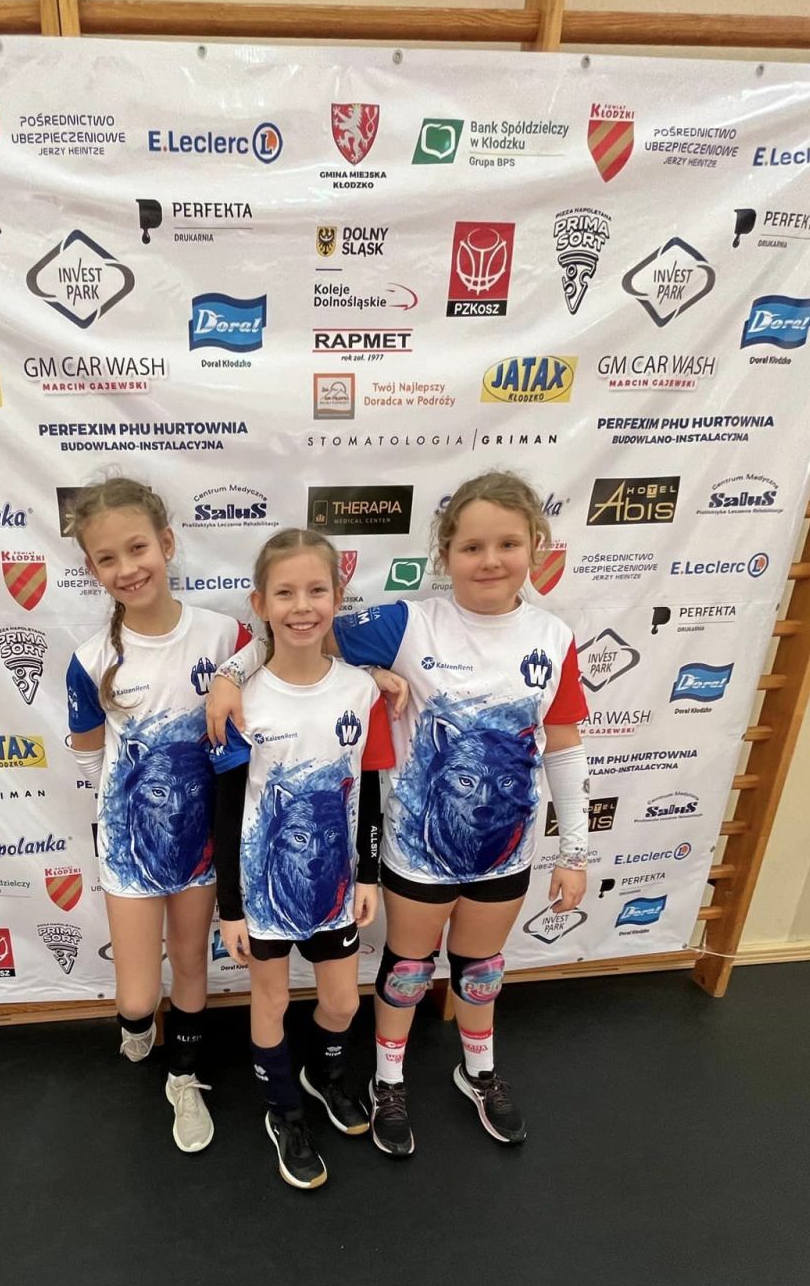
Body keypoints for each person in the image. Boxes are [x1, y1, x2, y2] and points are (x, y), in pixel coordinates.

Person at [208, 471, 589, 1156]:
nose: (490, 560)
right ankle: (387, 1080)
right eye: (471, 546)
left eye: (507, 544)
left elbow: (564, 747)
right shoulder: (407, 622)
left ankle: (480, 1070)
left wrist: (577, 851)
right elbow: (300, 633)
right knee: (409, 970)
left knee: (481, 969)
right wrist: (229, 676)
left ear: (536, 545)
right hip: (417, 854)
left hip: (508, 852)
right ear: (445, 554)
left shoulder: (554, 636)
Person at [66, 477, 251, 1154]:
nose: (127, 568)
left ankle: (185, 1075)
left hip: (202, 839)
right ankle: (138, 1026)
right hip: (131, 845)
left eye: (138, 547)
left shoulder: (224, 634)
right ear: (92, 569)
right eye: (107, 558)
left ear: (167, 544)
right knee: (139, 997)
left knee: (193, 967)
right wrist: (121, 820)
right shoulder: (91, 660)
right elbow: (89, 757)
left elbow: (290, 658)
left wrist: (373, 676)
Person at [211, 529, 396, 1190]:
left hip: (336, 886)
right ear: (260, 604)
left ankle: (325, 1074)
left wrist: (368, 872)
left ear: (338, 599)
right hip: (262, 891)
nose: (302, 606)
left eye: (317, 590)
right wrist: (231, 906)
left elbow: (369, 788)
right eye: (284, 593)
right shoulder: (239, 700)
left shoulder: (361, 692)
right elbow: (227, 810)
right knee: (271, 1000)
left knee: (342, 1002)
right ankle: (284, 1112)